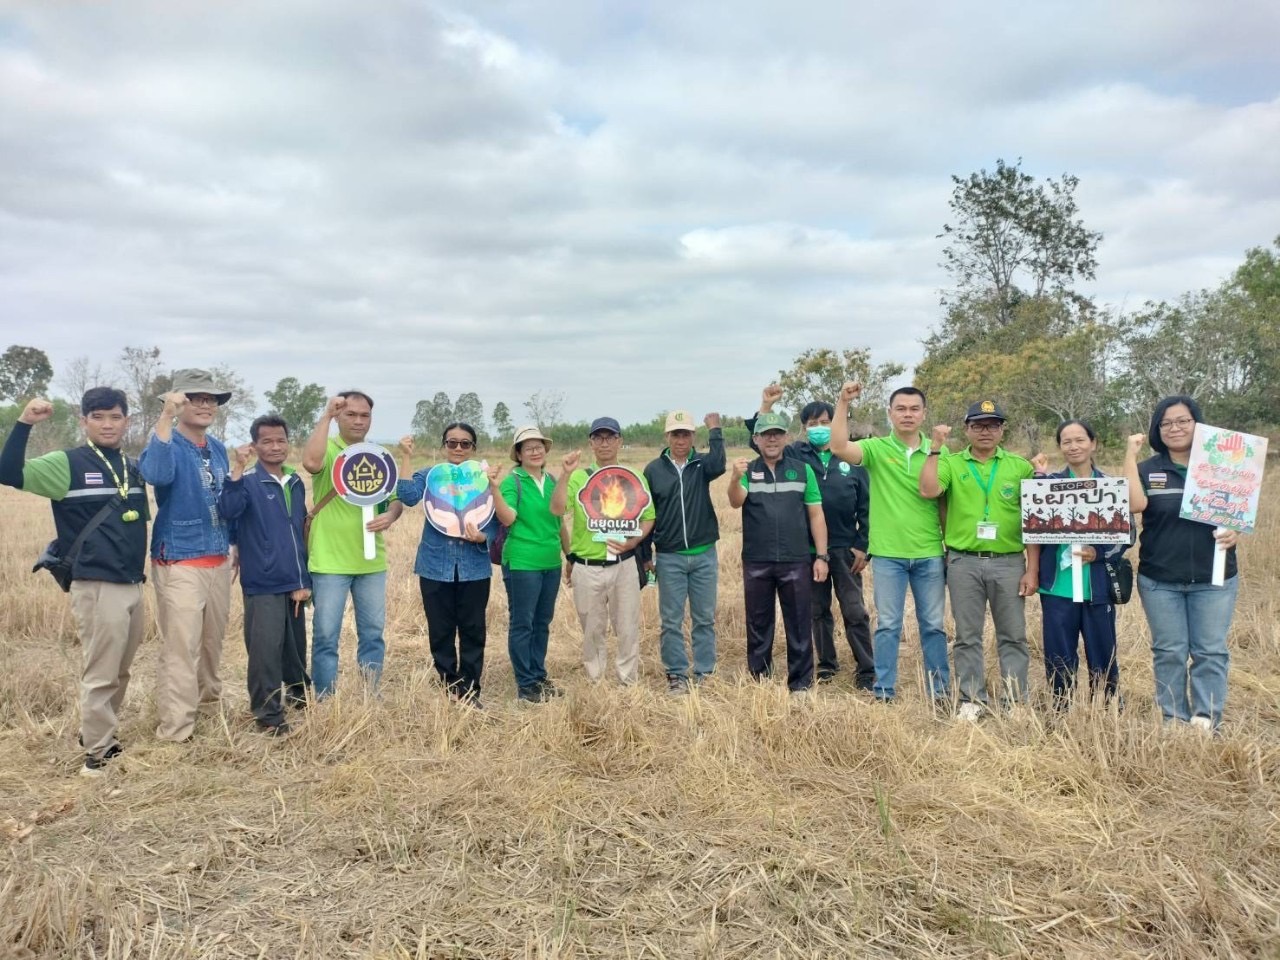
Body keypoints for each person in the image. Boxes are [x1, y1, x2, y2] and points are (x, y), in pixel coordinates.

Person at [1, 390, 149, 775]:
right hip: (97, 583)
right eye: (97, 416)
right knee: (101, 671)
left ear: (126, 421)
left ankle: (102, 735)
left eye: (115, 417)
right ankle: (96, 756)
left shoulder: (132, 467)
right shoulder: (67, 463)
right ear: (84, 421)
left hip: (132, 582)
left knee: (121, 669)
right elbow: (7, 472)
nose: (107, 424)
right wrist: (24, 423)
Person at [1124, 395, 1240, 731]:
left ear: (1197, 424)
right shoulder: (1148, 469)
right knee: (1169, 652)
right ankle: (1174, 718)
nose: (1175, 428)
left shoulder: (1222, 466)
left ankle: (1207, 718)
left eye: (1183, 421)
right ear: (1157, 429)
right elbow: (1134, 504)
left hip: (1213, 578)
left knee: (1210, 652)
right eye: (1166, 423)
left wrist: (1235, 531)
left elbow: (1239, 512)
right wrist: (1130, 455)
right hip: (1160, 580)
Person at [830, 382, 950, 702]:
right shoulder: (876, 449)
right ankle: (884, 690)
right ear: (890, 413)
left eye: (914, 409)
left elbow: (942, 501)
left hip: (929, 553)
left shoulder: (940, 451)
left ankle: (940, 690)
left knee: (934, 626)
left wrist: (949, 545)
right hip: (887, 555)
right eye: (901, 408)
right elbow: (839, 446)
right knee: (888, 626)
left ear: (923, 414)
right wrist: (843, 402)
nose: (907, 414)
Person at [920, 400, 1036, 719]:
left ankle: (1015, 700)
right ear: (967, 429)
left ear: (1002, 429)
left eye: (993, 425)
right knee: (967, 635)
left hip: (1009, 561)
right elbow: (929, 490)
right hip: (964, 561)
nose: (986, 431)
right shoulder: (952, 464)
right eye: (978, 425)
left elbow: (1034, 522)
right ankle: (972, 698)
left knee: (1012, 634)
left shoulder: (1020, 467)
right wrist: (934, 449)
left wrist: (1032, 568)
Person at [750, 387, 872, 688]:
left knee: (854, 610)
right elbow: (765, 440)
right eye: (812, 424)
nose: (819, 428)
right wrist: (766, 405)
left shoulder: (852, 456)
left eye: (825, 422)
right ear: (804, 429)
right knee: (817, 611)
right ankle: (827, 665)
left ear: (835, 423)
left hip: (845, 548)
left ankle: (867, 669)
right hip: (807, 549)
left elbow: (868, 505)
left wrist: (863, 544)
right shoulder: (795, 454)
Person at [139, 369, 234, 742]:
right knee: (182, 648)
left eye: (211, 398)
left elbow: (227, 501)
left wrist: (235, 544)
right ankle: (176, 730)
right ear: (177, 402)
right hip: (179, 559)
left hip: (218, 557)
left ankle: (208, 710)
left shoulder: (219, 449)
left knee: (212, 645)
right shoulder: (166, 443)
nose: (205, 404)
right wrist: (165, 417)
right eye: (195, 397)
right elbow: (156, 475)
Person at [396, 423, 514, 707]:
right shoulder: (430, 475)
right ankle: (450, 686)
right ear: (443, 446)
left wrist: (482, 538)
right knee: (440, 630)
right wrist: (407, 457)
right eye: (452, 443)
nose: (458, 448)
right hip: (435, 566)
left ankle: (471, 690)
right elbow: (408, 496)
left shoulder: (485, 477)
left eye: (465, 444)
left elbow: (498, 523)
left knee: (473, 630)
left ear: (474, 447)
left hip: (474, 566)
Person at [301, 391, 404, 697]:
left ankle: (370, 693)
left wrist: (391, 517)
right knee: (325, 635)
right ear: (340, 417)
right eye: (351, 414)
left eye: (365, 415)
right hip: (330, 561)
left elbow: (395, 500)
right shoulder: (329, 449)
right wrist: (326, 415)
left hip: (371, 562)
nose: (359, 421)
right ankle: (324, 698)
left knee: (373, 634)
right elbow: (310, 461)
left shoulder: (378, 456)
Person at [1022, 420, 1129, 708]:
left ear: (1093, 443)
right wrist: (1039, 476)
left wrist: (1100, 552)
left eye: (1080, 440)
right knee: (1058, 655)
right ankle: (1060, 709)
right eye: (1066, 441)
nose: (1073, 446)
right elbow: (1034, 524)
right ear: (1060, 447)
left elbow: (1126, 535)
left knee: (1103, 653)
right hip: (1057, 587)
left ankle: (1107, 709)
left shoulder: (1110, 486)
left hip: (1097, 588)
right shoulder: (1050, 485)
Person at [218, 414, 312, 736]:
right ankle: (268, 715)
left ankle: (299, 697)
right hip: (263, 580)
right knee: (265, 650)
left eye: (280, 440)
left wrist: (304, 579)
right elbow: (228, 511)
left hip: (295, 578)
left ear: (289, 443)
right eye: (267, 441)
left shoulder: (296, 482)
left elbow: (299, 530)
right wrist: (237, 469)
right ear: (255, 446)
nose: (275, 447)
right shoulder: (246, 482)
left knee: (294, 647)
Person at [728, 411, 829, 693]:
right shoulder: (748, 471)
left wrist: (821, 556)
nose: (772, 439)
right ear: (756, 439)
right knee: (758, 622)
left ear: (786, 437)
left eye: (777, 433)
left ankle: (801, 685)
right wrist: (735, 479)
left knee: (799, 623)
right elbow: (735, 502)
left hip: (795, 559)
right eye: (766, 434)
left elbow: (816, 515)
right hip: (757, 560)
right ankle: (759, 680)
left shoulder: (802, 469)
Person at [550, 416, 656, 685]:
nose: (604, 443)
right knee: (592, 630)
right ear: (591, 443)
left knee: (628, 626)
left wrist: (634, 542)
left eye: (610, 437)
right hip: (587, 567)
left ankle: (627, 681)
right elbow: (558, 510)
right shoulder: (578, 478)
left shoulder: (634, 477)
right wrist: (564, 473)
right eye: (598, 438)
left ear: (620, 441)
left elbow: (648, 517)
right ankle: (595, 681)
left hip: (624, 564)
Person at [643, 410, 726, 694]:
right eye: (676, 434)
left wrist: (715, 429)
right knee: (671, 620)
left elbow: (720, 462)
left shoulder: (702, 464)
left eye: (686, 434)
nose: (681, 439)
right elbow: (646, 513)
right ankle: (676, 674)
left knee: (704, 617)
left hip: (704, 554)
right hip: (669, 557)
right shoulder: (653, 470)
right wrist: (646, 555)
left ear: (693, 437)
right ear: (667, 436)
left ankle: (705, 672)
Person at [500, 425, 571, 703]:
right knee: (523, 623)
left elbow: (559, 522)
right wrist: (493, 488)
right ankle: (526, 683)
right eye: (527, 446)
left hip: (550, 561)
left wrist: (570, 556)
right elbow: (507, 517)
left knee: (542, 622)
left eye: (539, 445)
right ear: (518, 453)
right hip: (522, 562)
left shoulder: (553, 480)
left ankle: (539, 675)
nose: (534, 450)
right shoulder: (512, 481)